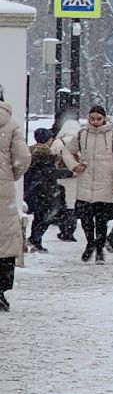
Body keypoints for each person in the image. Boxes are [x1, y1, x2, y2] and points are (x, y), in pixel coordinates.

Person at [61, 106, 113, 264]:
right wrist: (74, 165)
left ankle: (98, 249)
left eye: (98, 118)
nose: (95, 122)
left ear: (104, 119)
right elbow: (67, 151)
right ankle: (91, 243)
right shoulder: (82, 134)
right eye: (92, 119)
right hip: (86, 183)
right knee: (86, 219)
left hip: (106, 184)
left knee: (101, 220)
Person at [0, 93, 30, 310]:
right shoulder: (10, 125)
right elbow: (23, 157)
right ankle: (1, 291)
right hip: (3, 189)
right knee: (5, 240)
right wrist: (11, 174)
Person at [24, 128, 66, 253]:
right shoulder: (46, 154)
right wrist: (69, 173)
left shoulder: (29, 151)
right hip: (44, 191)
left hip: (31, 189)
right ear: (48, 139)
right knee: (45, 217)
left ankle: (35, 240)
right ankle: (35, 239)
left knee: (39, 217)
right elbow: (49, 172)